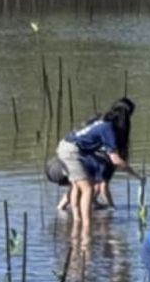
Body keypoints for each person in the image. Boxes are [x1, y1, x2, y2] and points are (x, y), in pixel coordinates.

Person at [54, 99, 133, 235]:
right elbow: (115, 159)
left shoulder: (102, 122)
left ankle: (77, 220)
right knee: (88, 189)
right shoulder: (108, 128)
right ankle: (86, 226)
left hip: (65, 145)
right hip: (72, 151)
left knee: (76, 186)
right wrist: (131, 171)